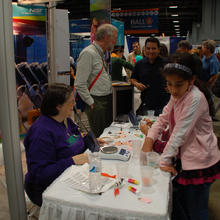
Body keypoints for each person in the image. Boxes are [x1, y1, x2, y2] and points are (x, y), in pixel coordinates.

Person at [141, 53, 220, 220]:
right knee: (184, 203)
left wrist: (163, 161)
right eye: (169, 84)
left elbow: (179, 134)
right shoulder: (177, 94)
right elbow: (163, 118)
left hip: (200, 160)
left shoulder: (195, 98)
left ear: (191, 81)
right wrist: (149, 139)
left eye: (178, 85)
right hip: (188, 157)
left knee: (196, 209)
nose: (173, 90)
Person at [24, 83, 90, 206]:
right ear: (59, 106)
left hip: (66, 176)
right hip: (44, 189)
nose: (74, 104)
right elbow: (41, 173)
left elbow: (72, 142)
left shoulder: (66, 121)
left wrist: (88, 141)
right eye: (71, 102)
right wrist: (72, 161)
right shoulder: (41, 133)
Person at [75, 24, 117, 137]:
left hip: (105, 100)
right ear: (106, 37)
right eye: (114, 38)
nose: (115, 41)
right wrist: (91, 102)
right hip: (96, 102)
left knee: (106, 135)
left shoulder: (100, 53)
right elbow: (79, 83)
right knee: (100, 136)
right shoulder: (88, 53)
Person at [130, 37, 170, 116]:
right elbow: (132, 79)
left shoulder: (166, 63)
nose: (151, 51)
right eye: (148, 48)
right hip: (146, 103)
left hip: (164, 104)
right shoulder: (140, 64)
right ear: (144, 49)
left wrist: (170, 85)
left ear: (158, 49)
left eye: (153, 48)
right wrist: (137, 84)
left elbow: (175, 79)